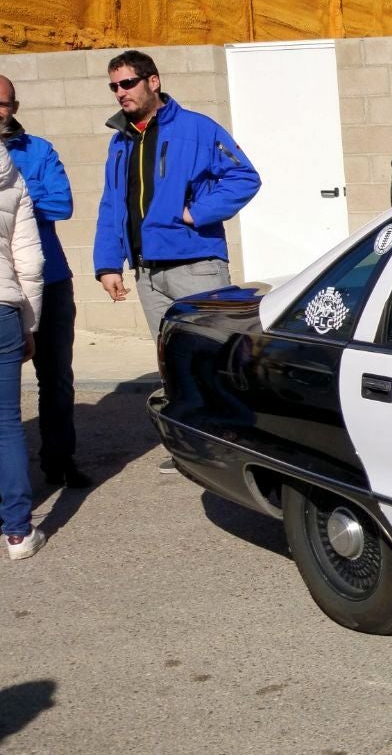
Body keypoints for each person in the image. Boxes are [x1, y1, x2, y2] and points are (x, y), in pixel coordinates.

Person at [92, 50, 261, 474]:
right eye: (114, 86)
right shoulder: (120, 140)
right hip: (147, 271)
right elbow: (113, 204)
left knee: (214, 356)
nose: (120, 93)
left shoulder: (197, 129)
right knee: (173, 360)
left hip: (195, 264)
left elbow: (245, 176)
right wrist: (108, 263)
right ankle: (189, 443)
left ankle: (236, 443)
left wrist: (195, 213)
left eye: (126, 83)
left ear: (153, 81)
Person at [0, 75, 86, 488]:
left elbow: (62, 203)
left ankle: (59, 458)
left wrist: (15, 195)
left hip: (48, 280)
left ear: (15, 107)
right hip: (2, 288)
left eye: (3, 103)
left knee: (55, 376)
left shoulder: (38, 151)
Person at [0, 139, 45, 559]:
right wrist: (29, 322)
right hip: (2, 306)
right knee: (7, 422)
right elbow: (29, 259)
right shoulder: (9, 170)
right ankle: (17, 533)